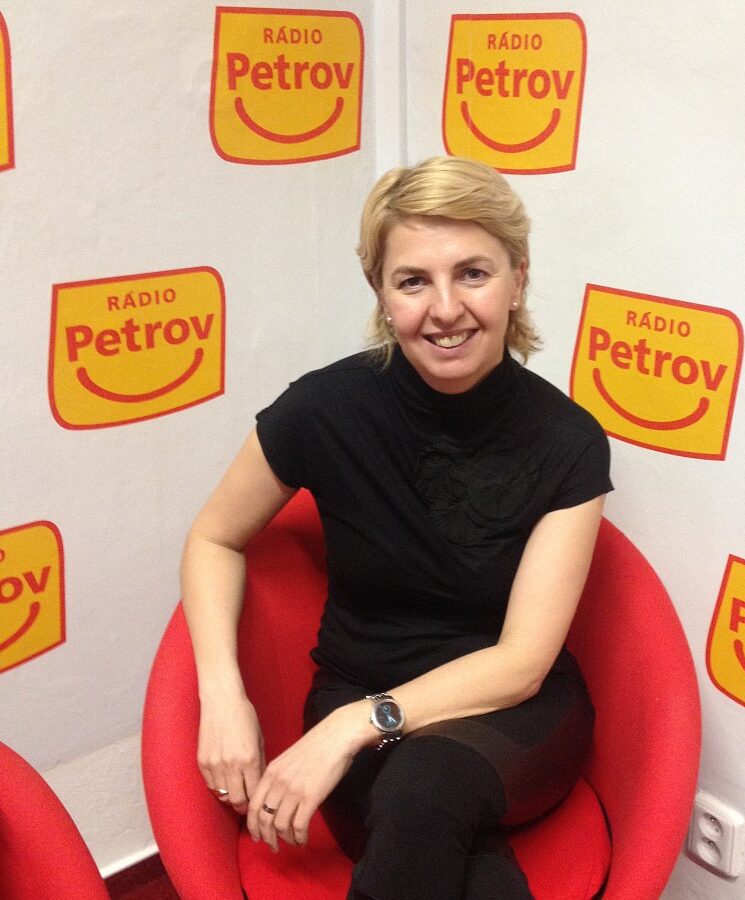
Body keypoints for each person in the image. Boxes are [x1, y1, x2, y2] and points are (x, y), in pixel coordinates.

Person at [181, 156, 613, 899]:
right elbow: (213, 538)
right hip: (359, 685)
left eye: (473, 273)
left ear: (518, 277)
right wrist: (223, 697)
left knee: (425, 787)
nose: (445, 309)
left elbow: (521, 664)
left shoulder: (568, 440)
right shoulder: (323, 410)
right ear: (380, 293)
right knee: (458, 853)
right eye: (413, 281)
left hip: (513, 713)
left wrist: (351, 727)